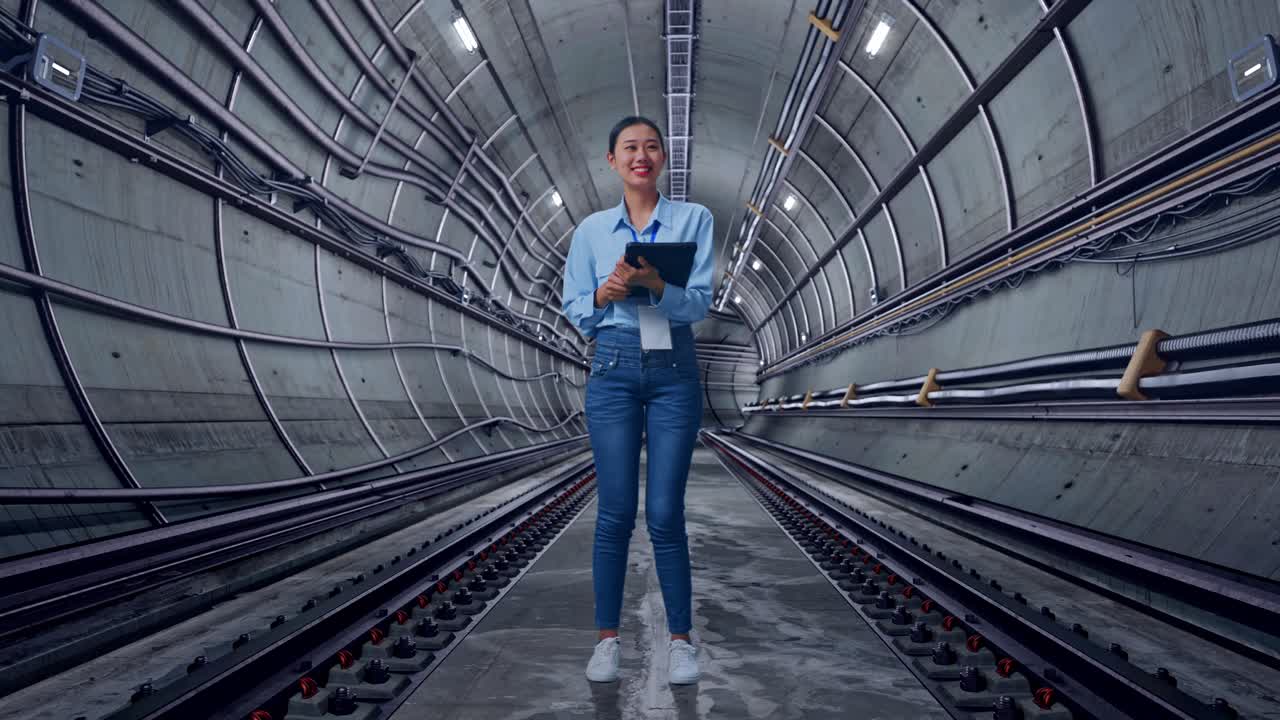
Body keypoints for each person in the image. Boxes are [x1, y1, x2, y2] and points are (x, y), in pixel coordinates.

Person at [560, 116, 714, 685]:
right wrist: (604, 292)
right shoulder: (591, 231)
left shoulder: (694, 219)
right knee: (616, 512)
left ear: (663, 158)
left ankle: (680, 642)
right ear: (612, 160)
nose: (640, 155)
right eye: (629, 147)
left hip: (674, 366)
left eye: (651, 146)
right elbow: (576, 307)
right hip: (615, 365)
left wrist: (656, 286)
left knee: (666, 513)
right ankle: (606, 642)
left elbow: (698, 303)